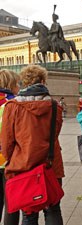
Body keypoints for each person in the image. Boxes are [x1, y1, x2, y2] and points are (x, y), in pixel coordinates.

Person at [1, 65, 64, 225]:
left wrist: (13, 159)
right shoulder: (55, 107)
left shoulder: (12, 107)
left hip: (24, 166)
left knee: (29, 213)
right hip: (51, 165)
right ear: (43, 81)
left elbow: (7, 142)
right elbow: (54, 134)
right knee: (53, 209)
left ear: (25, 82)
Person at [0, 69, 20, 225]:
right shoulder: (14, 103)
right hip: (9, 160)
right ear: (11, 84)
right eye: (17, 83)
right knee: (12, 205)